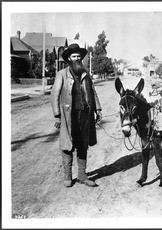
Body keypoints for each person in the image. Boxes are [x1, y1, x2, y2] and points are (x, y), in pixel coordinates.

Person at [51, 43, 102, 187]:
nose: (77, 58)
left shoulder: (86, 74)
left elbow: (93, 92)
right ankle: (68, 177)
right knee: (67, 145)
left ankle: (82, 175)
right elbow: (54, 94)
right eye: (74, 56)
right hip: (69, 116)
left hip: (85, 115)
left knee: (83, 144)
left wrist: (97, 109)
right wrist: (57, 115)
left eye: (79, 56)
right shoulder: (62, 74)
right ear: (68, 59)